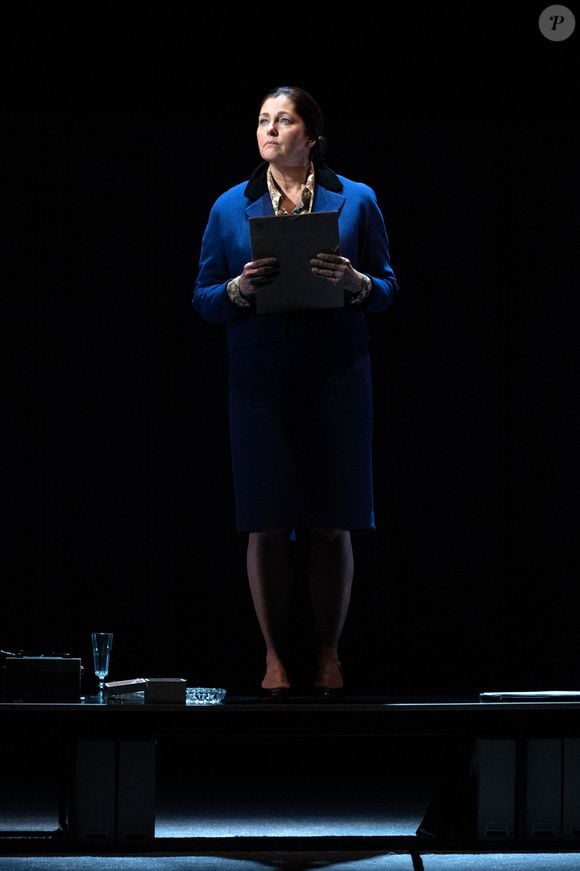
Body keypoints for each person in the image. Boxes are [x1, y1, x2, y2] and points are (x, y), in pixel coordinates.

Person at [192, 85, 398, 696]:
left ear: (311, 135)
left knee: (333, 520)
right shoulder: (231, 206)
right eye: (262, 120)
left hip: (336, 377)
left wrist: (357, 281)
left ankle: (329, 654)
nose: (271, 131)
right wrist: (239, 289)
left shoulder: (356, 199)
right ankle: (276, 658)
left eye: (284, 121)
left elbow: (388, 286)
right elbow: (203, 299)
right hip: (260, 380)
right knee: (265, 520)